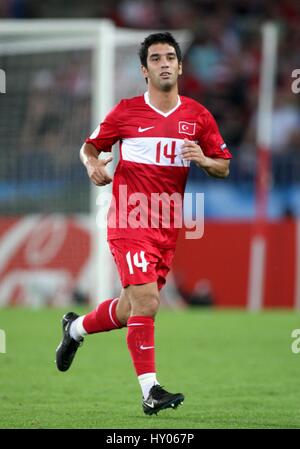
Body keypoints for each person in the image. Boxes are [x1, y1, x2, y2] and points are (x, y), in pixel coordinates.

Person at [55, 32, 232, 415]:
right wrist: (92, 164)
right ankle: (150, 391)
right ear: (144, 69)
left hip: (167, 226)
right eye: (156, 58)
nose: (164, 63)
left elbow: (224, 166)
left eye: (170, 57)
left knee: (129, 308)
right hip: (129, 219)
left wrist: (202, 159)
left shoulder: (198, 117)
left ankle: (75, 329)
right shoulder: (126, 112)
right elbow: (90, 146)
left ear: (181, 66)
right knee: (149, 302)